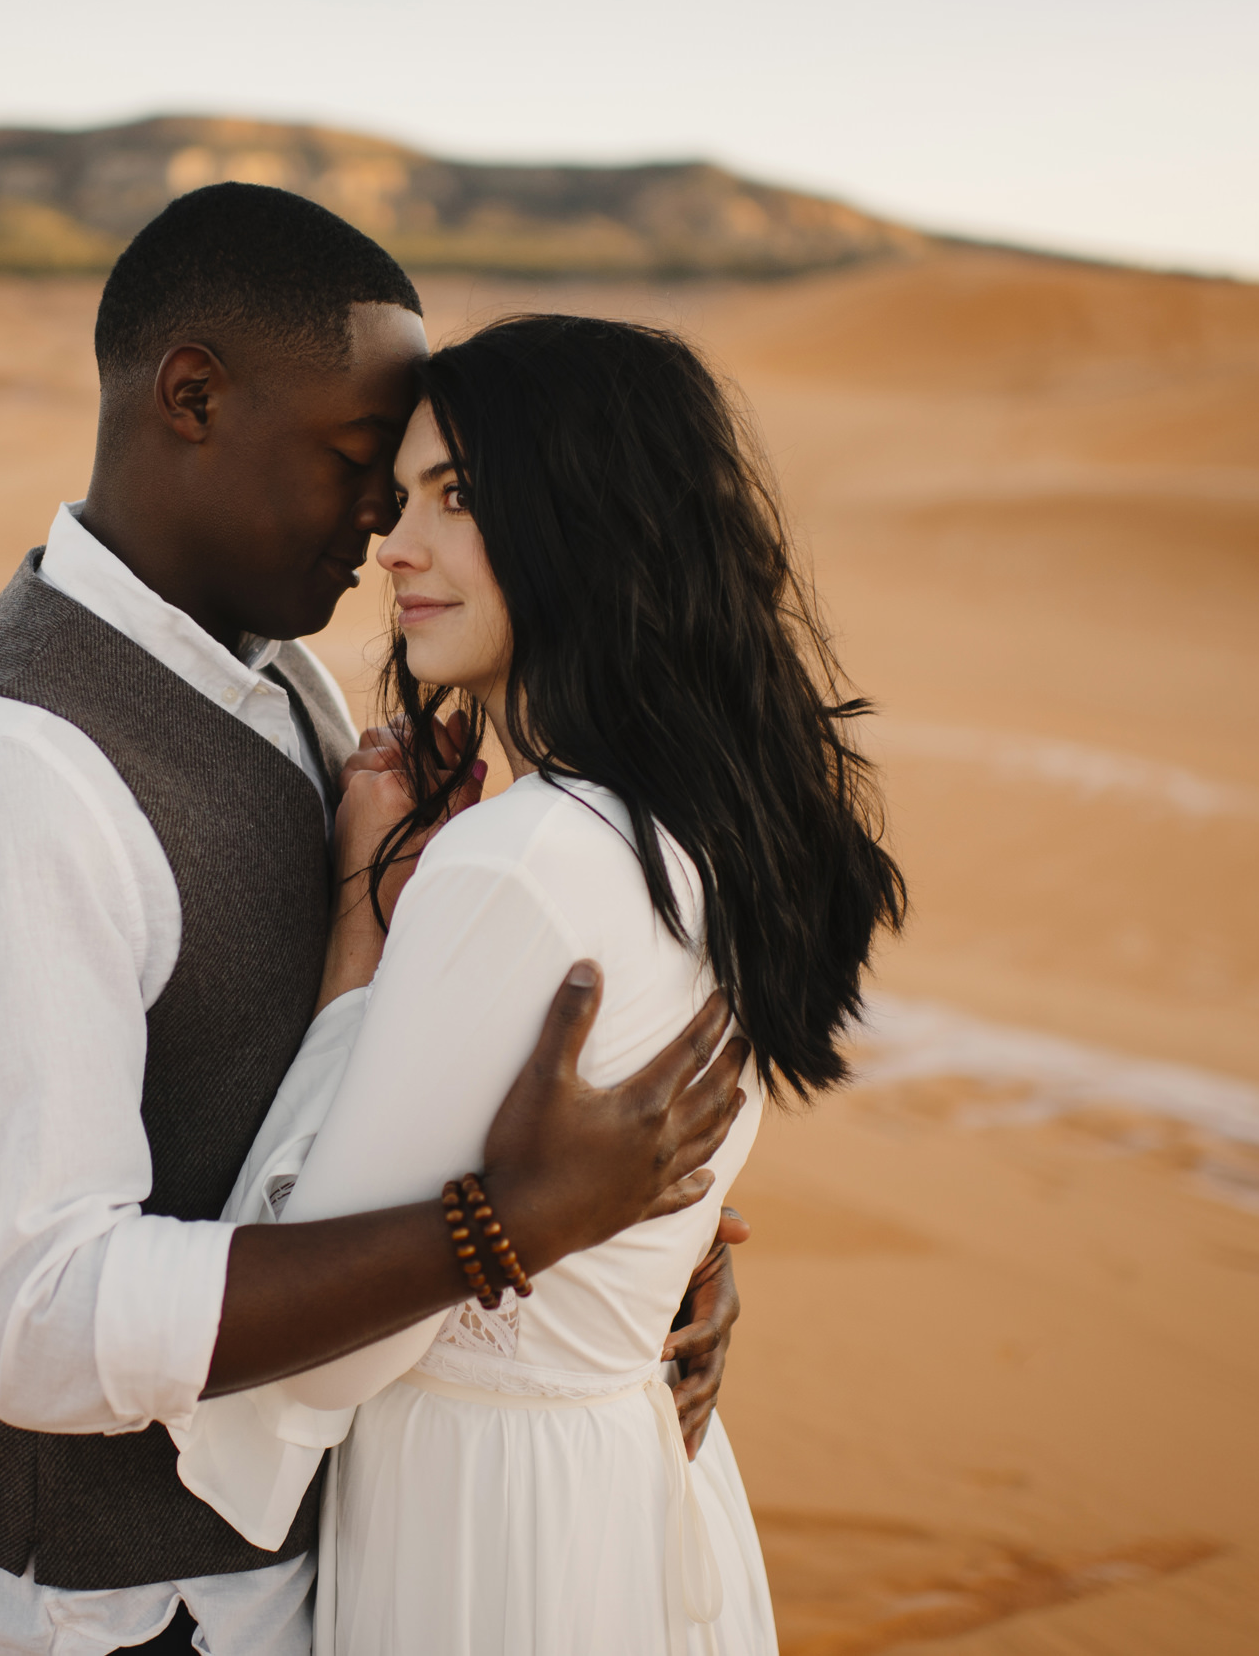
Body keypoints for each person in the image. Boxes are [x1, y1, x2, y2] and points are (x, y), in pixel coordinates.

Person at [0, 185, 753, 1656]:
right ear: (192, 396)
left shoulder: (286, 687)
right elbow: (42, 1322)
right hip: (115, 1614)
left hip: (325, 1571)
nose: (384, 522)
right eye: (357, 465)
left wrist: (634, 1268)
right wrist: (504, 1231)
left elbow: (375, 1089)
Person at [169, 314, 908, 1654]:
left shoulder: (517, 866)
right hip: (627, 1481)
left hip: (484, 1529)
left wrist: (355, 945)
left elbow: (319, 1345)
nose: (396, 547)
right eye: (401, 500)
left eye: (461, 496)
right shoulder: (714, 834)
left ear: (591, 515)